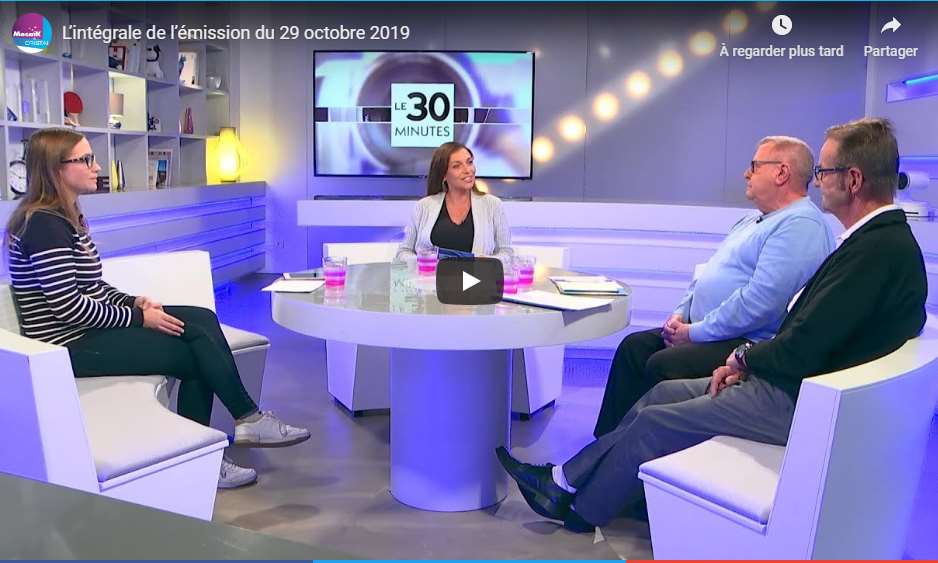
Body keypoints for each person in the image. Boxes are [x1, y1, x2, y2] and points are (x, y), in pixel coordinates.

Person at [497, 117, 927, 532]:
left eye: (824, 172)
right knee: (659, 394)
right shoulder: (873, 243)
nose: (817, 182)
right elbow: (810, 333)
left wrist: (743, 358)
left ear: (853, 180)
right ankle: (564, 481)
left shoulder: (875, 251)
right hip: (789, 381)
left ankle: (580, 509)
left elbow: (804, 341)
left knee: (655, 421)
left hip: (796, 400)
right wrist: (741, 357)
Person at [5, 128, 310, 490]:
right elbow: (68, 307)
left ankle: (237, 430)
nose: (96, 166)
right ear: (56, 169)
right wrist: (138, 318)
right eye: (85, 160)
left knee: (201, 317)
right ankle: (228, 439)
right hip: (67, 344)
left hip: (85, 331)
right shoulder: (44, 225)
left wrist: (132, 301)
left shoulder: (65, 217)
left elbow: (91, 286)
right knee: (192, 355)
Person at [594, 136, 834, 437]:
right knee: (634, 348)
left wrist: (694, 333)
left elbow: (759, 303)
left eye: (755, 166)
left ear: (781, 172)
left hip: (746, 341)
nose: (746, 174)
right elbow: (707, 273)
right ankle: (606, 447)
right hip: (705, 330)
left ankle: (643, 451)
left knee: (662, 364)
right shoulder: (751, 221)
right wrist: (680, 315)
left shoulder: (800, 225)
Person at [395, 142, 513, 263]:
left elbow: (507, 252)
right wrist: (424, 261)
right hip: (431, 275)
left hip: (477, 275)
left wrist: (487, 262)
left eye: (469, 162)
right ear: (444, 175)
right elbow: (403, 252)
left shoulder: (493, 205)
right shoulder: (423, 206)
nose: (468, 170)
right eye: (457, 166)